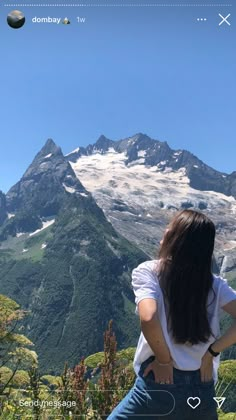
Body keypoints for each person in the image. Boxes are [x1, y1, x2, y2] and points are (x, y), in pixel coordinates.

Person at [107, 209, 236, 420]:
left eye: (171, 227)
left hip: (160, 383)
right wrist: (212, 352)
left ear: (177, 238)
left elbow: (148, 317)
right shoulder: (214, 284)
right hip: (201, 386)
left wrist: (164, 361)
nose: (165, 229)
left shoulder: (149, 272)